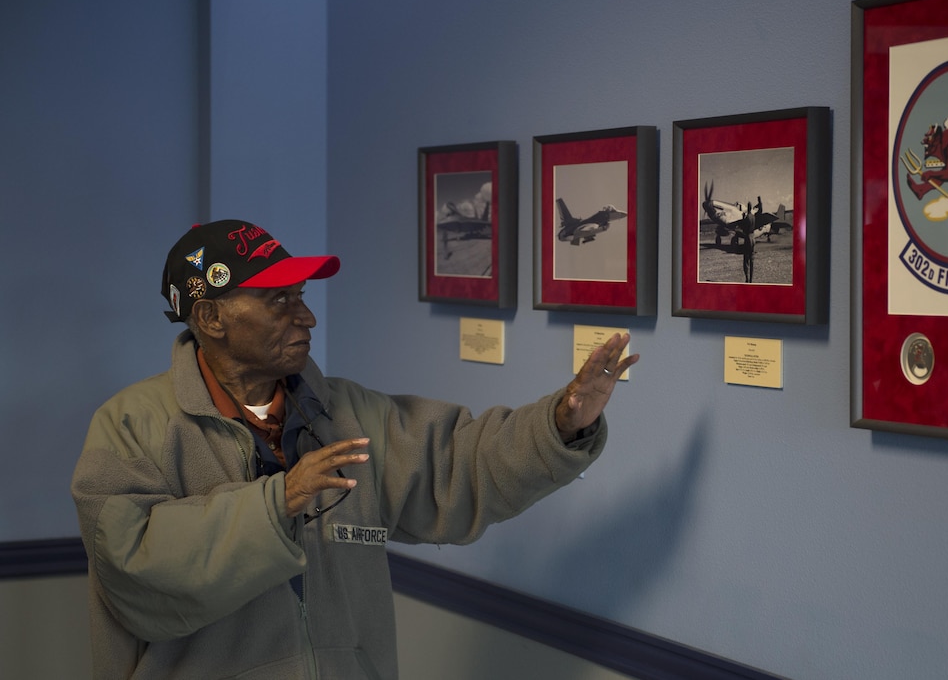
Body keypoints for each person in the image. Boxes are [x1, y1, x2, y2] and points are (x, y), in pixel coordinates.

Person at [70, 219, 638, 680]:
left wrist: (561, 423)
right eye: (277, 301)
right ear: (210, 317)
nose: (307, 316)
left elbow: (460, 463)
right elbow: (135, 571)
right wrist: (276, 504)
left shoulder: (345, 413)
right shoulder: (131, 428)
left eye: (301, 295)